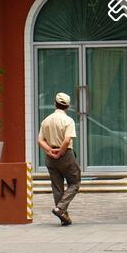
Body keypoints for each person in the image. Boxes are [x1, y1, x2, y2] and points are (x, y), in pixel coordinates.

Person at [37, 92, 80, 226]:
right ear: (67, 106)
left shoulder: (46, 120)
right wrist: (60, 152)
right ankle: (60, 209)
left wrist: (50, 151)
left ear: (54, 104)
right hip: (65, 154)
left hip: (50, 157)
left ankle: (63, 216)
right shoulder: (68, 121)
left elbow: (40, 140)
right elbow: (67, 140)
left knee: (57, 187)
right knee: (74, 182)